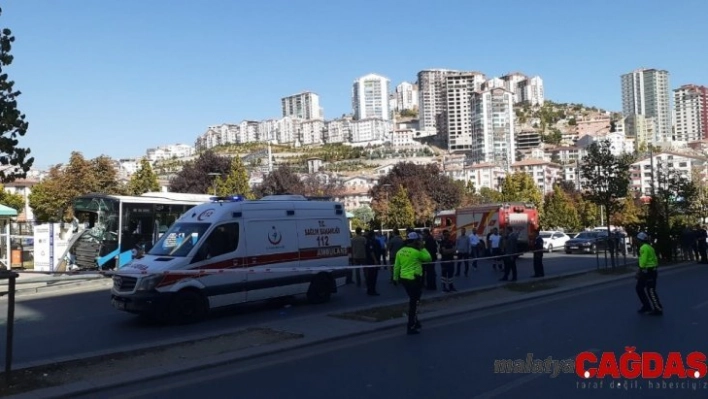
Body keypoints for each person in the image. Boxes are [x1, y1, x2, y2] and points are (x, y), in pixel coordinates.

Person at [393, 232, 432, 335]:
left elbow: (396, 267)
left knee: (414, 299)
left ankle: (416, 321)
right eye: (418, 241)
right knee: (414, 303)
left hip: (404, 279)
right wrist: (423, 247)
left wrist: (395, 278)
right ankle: (411, 326)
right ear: (415, 241)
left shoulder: (400, 251)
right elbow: (428, 258)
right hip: (414, 279)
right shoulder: (416, 252)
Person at [635, 232, 663, 316]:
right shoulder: (650, 247)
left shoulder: (643, 248)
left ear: (640, 240)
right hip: (651, 270)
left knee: (650, 290)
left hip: (648, 271)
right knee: (640, 288)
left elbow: (643, 262)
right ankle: (647, 306)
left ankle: (657, 308)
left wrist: (639, 271)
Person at [364, 230, 381, 296]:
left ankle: (370, 290)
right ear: (373, 235)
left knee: (370, 277)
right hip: (372, 262)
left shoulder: (368, 241)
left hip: (369, 261)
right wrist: (375, 260)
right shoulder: (371, 242)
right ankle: (372, 291)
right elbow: (371, 252)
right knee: (373, 277)